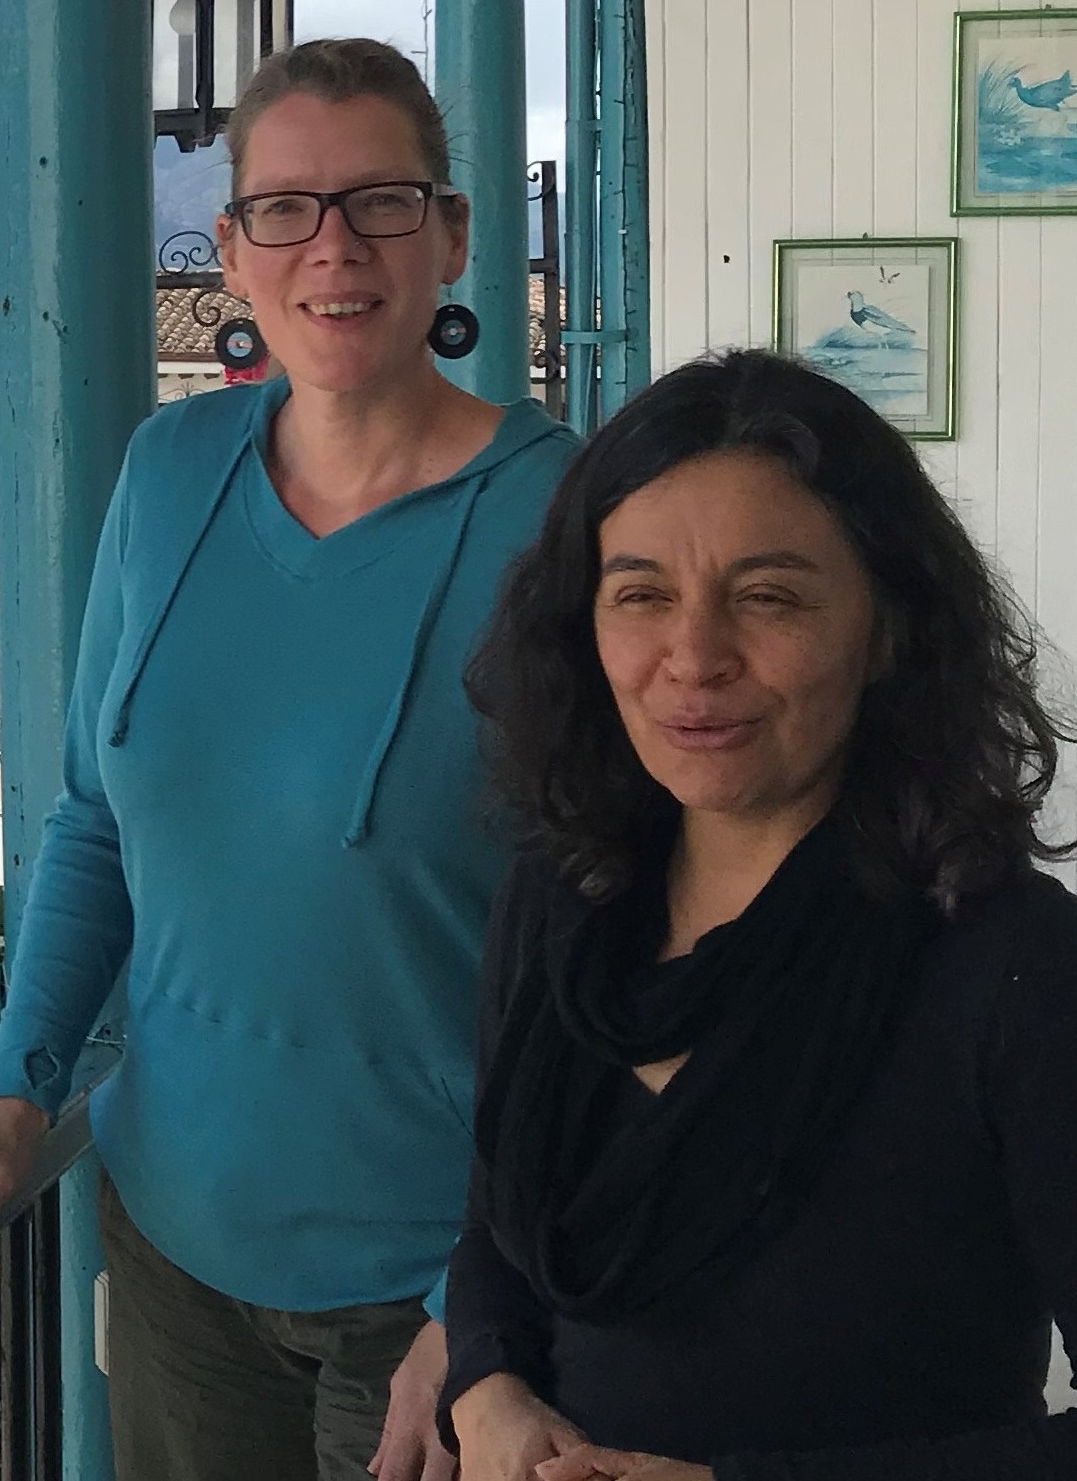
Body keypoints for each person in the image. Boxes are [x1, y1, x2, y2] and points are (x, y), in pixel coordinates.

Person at [0, 39, 579, 1481]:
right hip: (170, 1247)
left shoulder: (568, 523)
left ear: (455, 235)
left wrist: (489, 1295)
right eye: (285, 210)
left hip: (431, 1292)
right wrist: (15, 1085)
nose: (333, 248)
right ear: (231, 250)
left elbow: (614, 934)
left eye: (382, 203)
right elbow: (96, 823)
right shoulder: (169, 475)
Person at [444, 350, 1077, 1478]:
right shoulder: (565, 893)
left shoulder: (1012, 964)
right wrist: (485, 1382)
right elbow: (503, 1215)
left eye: (768, 596)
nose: (694, 658)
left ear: (889, 628)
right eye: (640, 593)